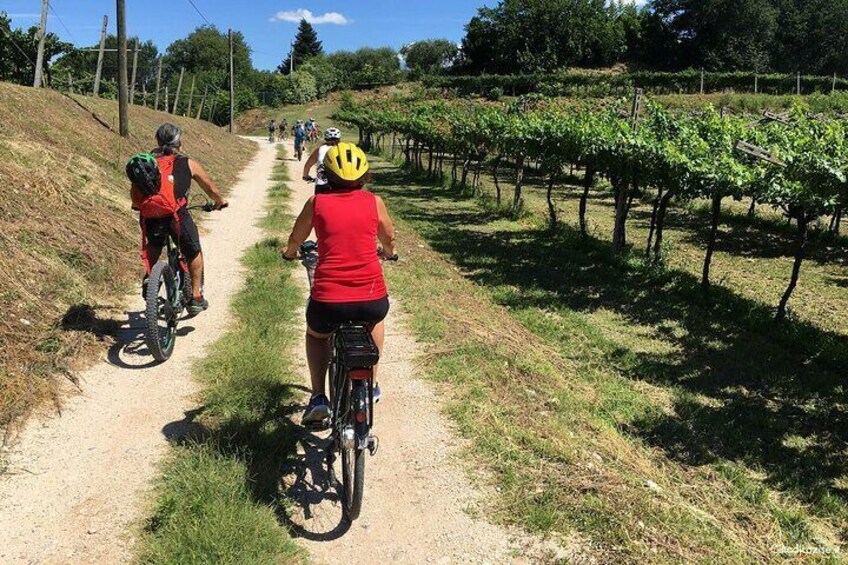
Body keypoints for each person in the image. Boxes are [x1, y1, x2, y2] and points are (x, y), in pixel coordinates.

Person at [282, 142, 397, 424]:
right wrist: (390, 253)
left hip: (328, 302)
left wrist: (290, 252)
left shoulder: (317, 203)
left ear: (326, 175)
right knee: (376, 322)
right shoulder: (374, 202)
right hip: (371, 299)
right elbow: (389, 239)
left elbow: (296, 238)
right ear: (363, 177)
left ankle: (319, 396)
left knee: (316, 334)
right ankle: (371, 385)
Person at [131, 123, 227, 315]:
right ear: (179, 143)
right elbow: (211, 188)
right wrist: (219, 202)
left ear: (158, 142)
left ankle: (149, 278)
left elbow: (135, 191)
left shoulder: (147, 162)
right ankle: (196, 296)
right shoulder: (187, 163)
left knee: (155, 245)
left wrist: (137, 205)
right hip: (176, 216)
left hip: (151, 216)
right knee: (193, 252)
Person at [302, 127, 341, 194]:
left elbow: (308, 165)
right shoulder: (342, 150)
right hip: (339, 184)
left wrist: (306, 176)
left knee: (317, 203)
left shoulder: (320, 149)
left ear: (325, 138)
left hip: (322, 184)